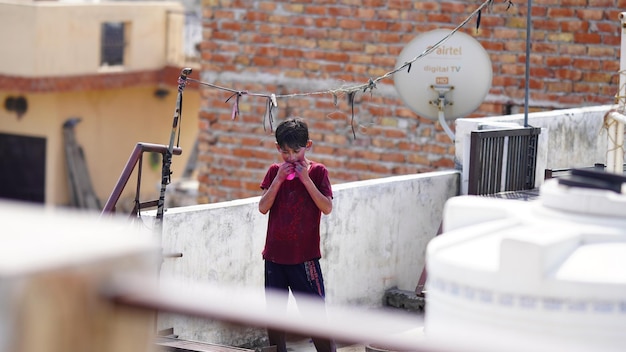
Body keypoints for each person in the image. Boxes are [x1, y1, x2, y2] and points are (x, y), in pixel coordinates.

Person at [258, 118, 336, 352]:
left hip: (305, 259)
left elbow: (327, 207)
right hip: (274, 258)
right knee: (275, 318)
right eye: (285, 151)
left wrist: (305, 179)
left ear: (308, 145)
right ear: (277, 148)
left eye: (296, 151)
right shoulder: (274, 171)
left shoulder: (319, 172)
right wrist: (280, 179)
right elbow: (263, 207)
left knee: (315, 317)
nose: (291, 157)